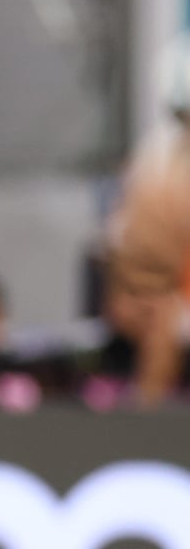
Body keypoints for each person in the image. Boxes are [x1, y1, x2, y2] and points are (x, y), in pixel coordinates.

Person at [103, 101, 190, 408]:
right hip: (155, 294)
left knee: (163, 326)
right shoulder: (158, 159)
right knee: (160, 323)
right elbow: (127, 243)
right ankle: (141, 424)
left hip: (170, 298)